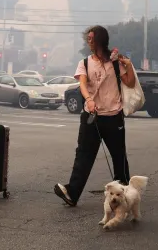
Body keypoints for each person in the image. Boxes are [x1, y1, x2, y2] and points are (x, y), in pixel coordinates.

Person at [53, 25, 137, 207]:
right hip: (92, 117)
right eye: (88, 38)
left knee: (119, 157)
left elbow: (129, 82)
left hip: (114, 117)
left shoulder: (114, 62)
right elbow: (83, 84)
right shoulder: (84, 63)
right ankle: (72, 193)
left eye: (91, 38)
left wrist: (128, 66)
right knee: (83, 155)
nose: (88, 41)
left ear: (100, 39)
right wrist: (89, 100)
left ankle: (126, 195)